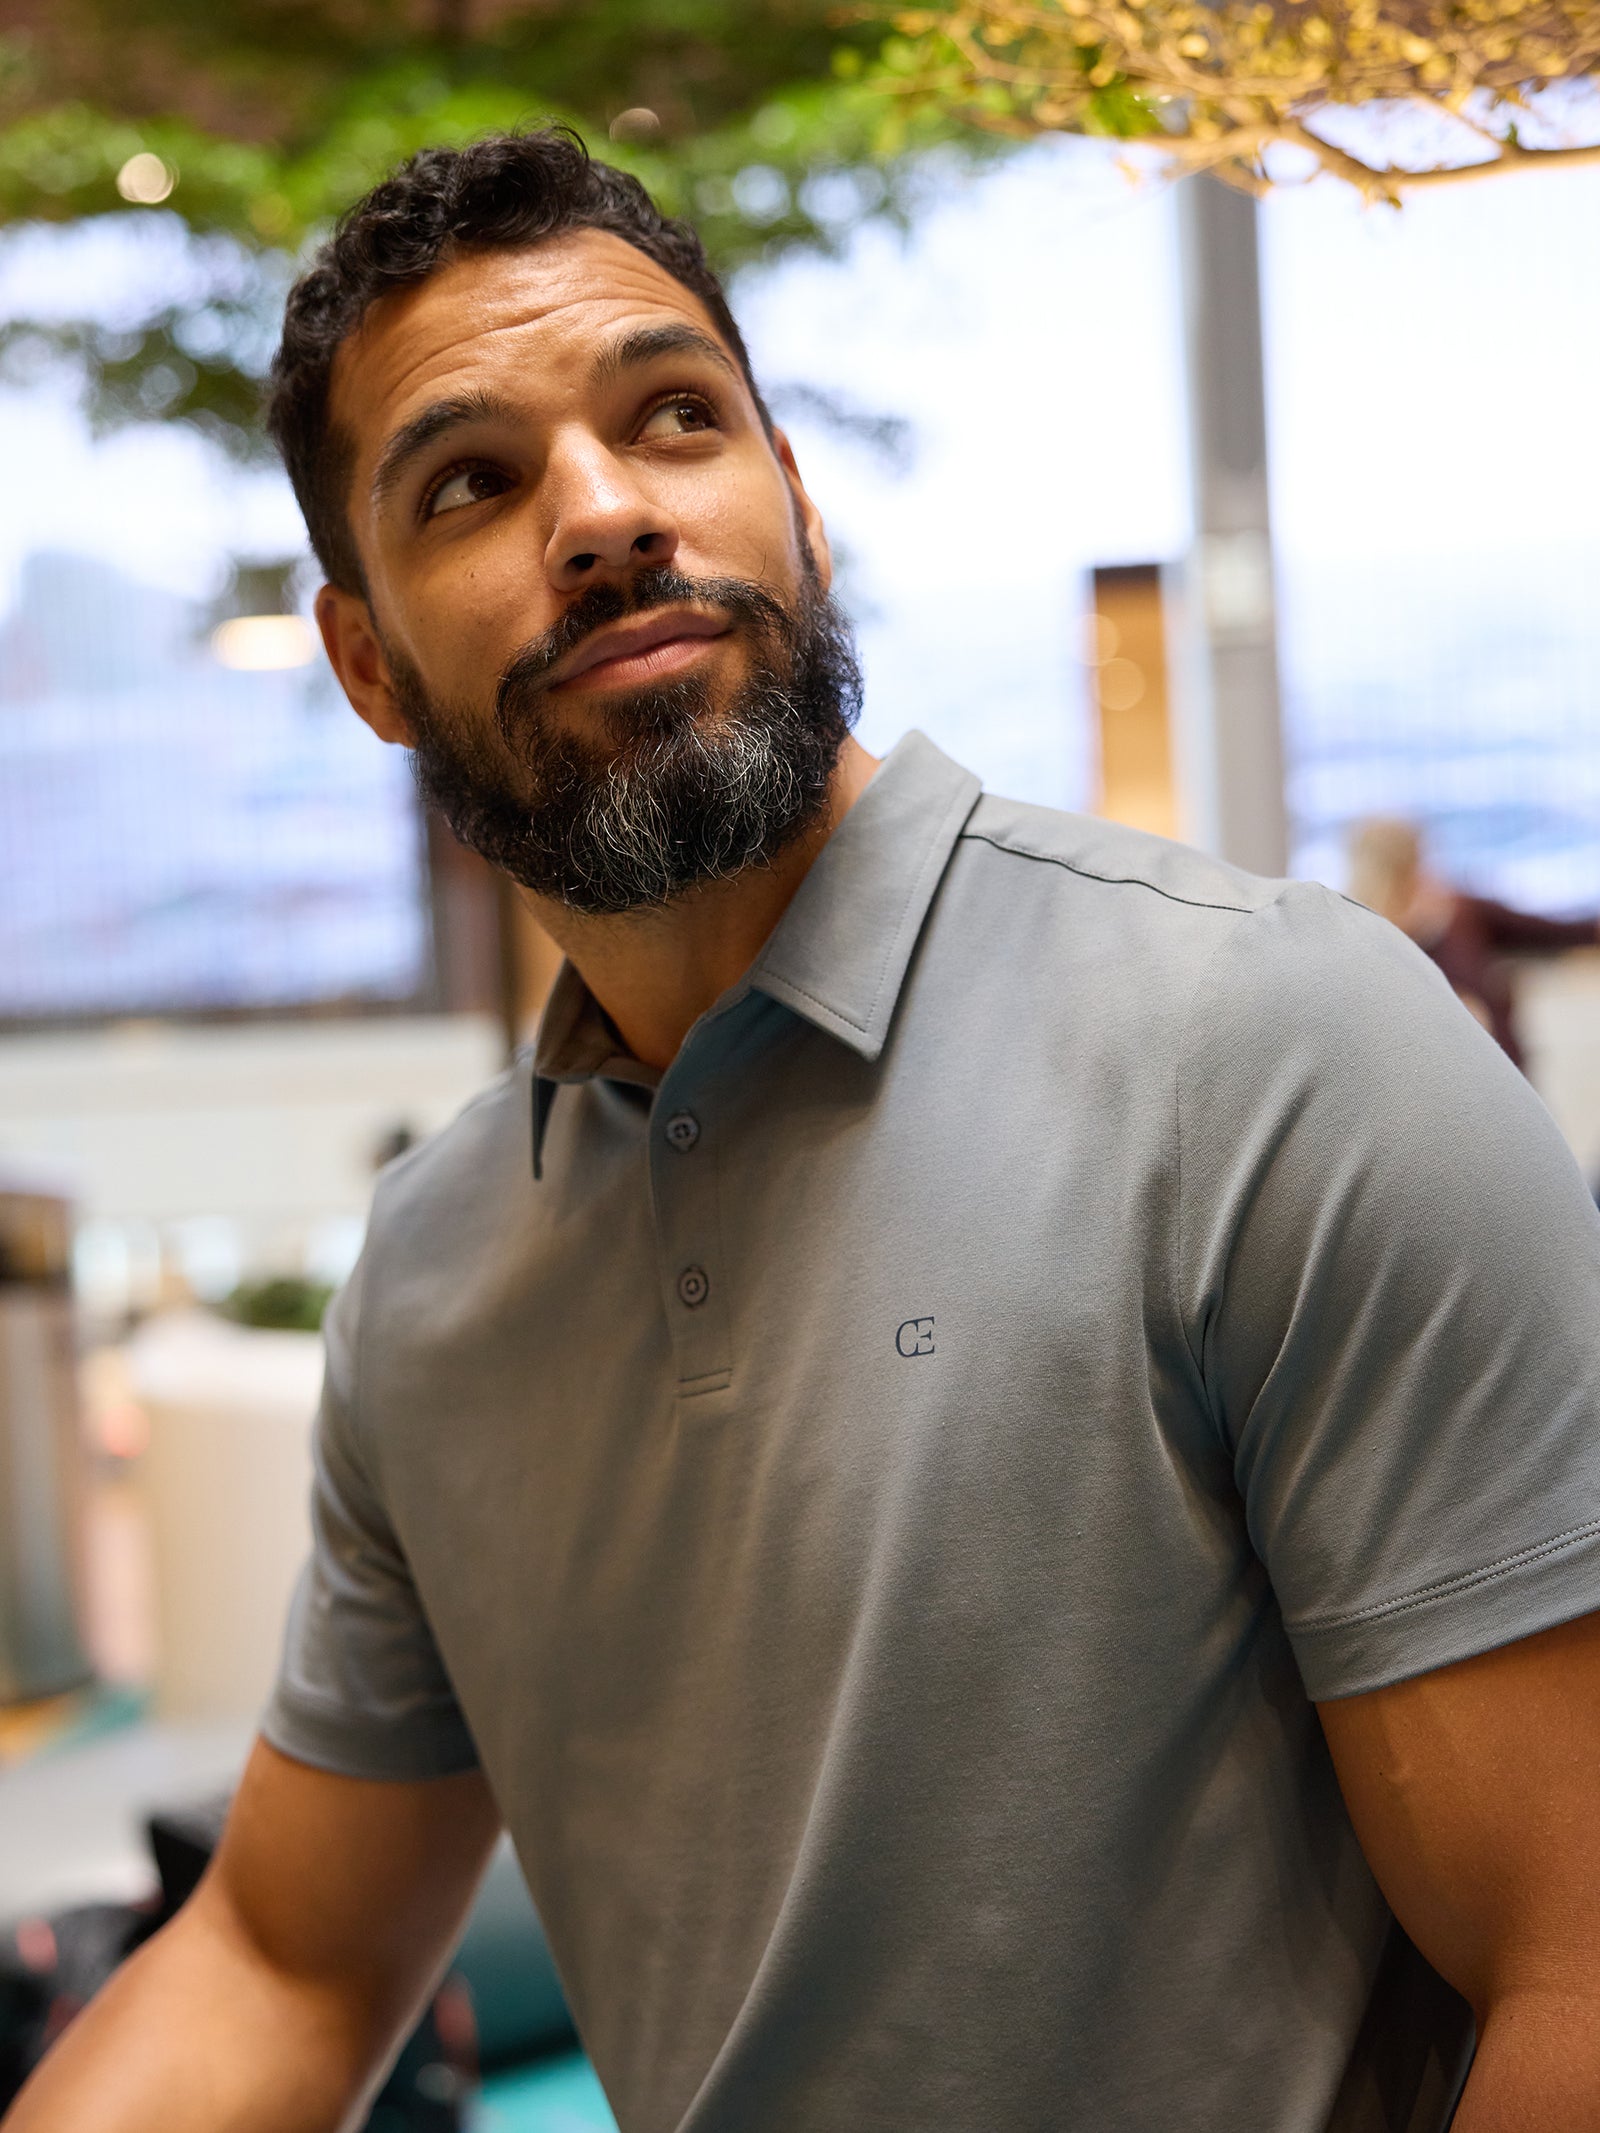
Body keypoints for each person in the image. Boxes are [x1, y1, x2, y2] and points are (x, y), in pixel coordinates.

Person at [11, 129, 1600, 2133]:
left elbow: (1579, 1958)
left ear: (797, 510)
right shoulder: (431, 1275)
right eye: (472, 482)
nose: (600, 513)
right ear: (366, 665)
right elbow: (283, 1955)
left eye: (671, 417)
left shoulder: (1266, 1044)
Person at [1348, 814, 1600, 1071]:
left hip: (1502, 1072)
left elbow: (1544, 929)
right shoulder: (1364, 941)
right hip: (1439, 1080)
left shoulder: (1457, 911)